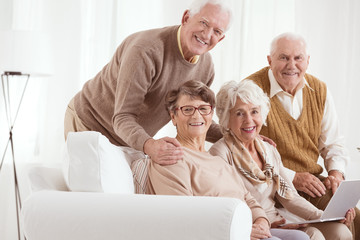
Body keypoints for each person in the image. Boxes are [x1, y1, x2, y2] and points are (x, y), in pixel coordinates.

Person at [64, 0, 232, 164]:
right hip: (90, 123)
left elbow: (195, 118)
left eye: (217, 31)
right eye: (203, 23)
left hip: (130, 136)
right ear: (186, 18)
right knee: (97, 188)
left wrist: (236, 135)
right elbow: (123, 117)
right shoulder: (145, 51)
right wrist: (150, 145)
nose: (207, 34)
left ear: (221, 38)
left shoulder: (206, 67)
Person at [147, 80, 311, 240]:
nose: (197, 115)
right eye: (188, 109)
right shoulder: (171, 157)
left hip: (243, 227)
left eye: (204, 109)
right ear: (173, 116)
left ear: (211, 115)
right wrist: (239, 230)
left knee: (300, 237)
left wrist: (261, 221)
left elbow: (248, 199)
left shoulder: (216, 160)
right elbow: (184, 215)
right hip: (222, 232)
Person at [209, 80, 354, 240]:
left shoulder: (268, 150)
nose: (248, 120)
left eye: (254, 111)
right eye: (239, 113)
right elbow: (228, 205)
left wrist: (325, 216)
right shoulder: (220, 153)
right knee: (314, 236)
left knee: (340, 231)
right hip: (253, 226)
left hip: (280, 221)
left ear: (262, 114)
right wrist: (265, 224)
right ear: (226, 119)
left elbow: (290, 197)